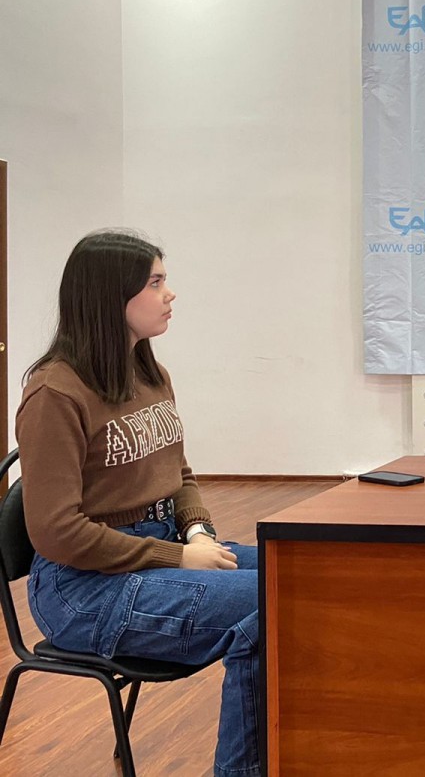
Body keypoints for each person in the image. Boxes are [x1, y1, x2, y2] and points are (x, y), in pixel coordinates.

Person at [15, 230, 260, 777]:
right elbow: (56, 532)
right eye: (155, 282)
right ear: (112, 296)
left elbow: (179, 474)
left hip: (160, 547)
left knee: (304, 577)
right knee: (275, 604)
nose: (170, 294)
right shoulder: (54, 393)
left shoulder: (150, 373)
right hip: (80, 588)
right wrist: (177, 557)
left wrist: (196, 532)